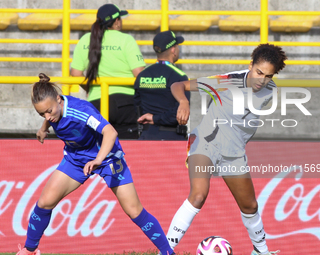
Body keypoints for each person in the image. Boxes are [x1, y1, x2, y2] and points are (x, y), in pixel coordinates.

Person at [16, 73, 174, 255]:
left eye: (48, 111)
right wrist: (43, 129)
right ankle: (30, 250)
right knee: (44, 203)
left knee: (134, 211)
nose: (47, 116)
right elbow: (50, 115)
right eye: (41, 113)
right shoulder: (53, 109)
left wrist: (98, 159)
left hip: (108, 159)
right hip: (76, 159)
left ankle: (168, 252)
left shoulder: (81, 110)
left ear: (59, 99)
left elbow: (110, 132)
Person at [165, 44, 287, 255]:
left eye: (268, 75)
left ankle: (261, 251)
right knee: (198, 195)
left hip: (234, 151)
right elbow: (178, 85)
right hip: (205, 142)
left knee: (249, 206)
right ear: (250, 64)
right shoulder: (226, 81)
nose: (261, 79)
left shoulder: (270, 89)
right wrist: (183, 102)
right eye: (258, 72)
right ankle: (165, 250)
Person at [70, 3, 145, 139]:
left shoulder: (85, 40)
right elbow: (139, 75)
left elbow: (75, 74)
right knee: (126, 149)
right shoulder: (126, 40)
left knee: (99, 148)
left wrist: (90, 87)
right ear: (116, 22)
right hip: (125, 104)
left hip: (96, 103)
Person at [134, 30, 190, 140]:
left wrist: (152, 118)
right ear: (173, 50)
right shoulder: (179, 76)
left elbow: (137, 107)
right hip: (172, 139)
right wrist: (156, 118)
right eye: (177, 46)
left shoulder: (142, 75)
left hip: (146, 137)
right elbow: (179, 115)